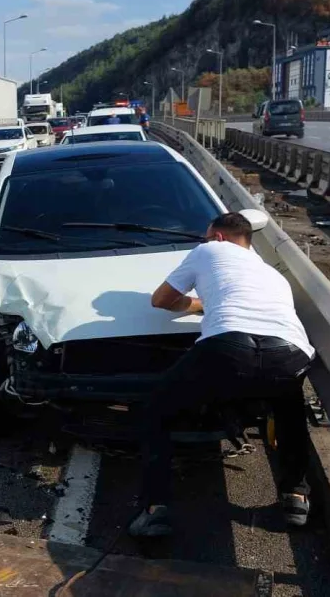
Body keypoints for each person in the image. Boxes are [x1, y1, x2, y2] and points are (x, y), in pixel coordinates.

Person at [131, 212, 315, 537]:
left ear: (217, 237)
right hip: (289, 351)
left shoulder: (209, 251)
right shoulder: (271, 272)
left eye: (205, 237)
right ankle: (295, 496)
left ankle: (154, 508)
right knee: (290, 412)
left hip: (229, 345)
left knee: (156, 410)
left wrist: (192, 305)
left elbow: (161, 300)